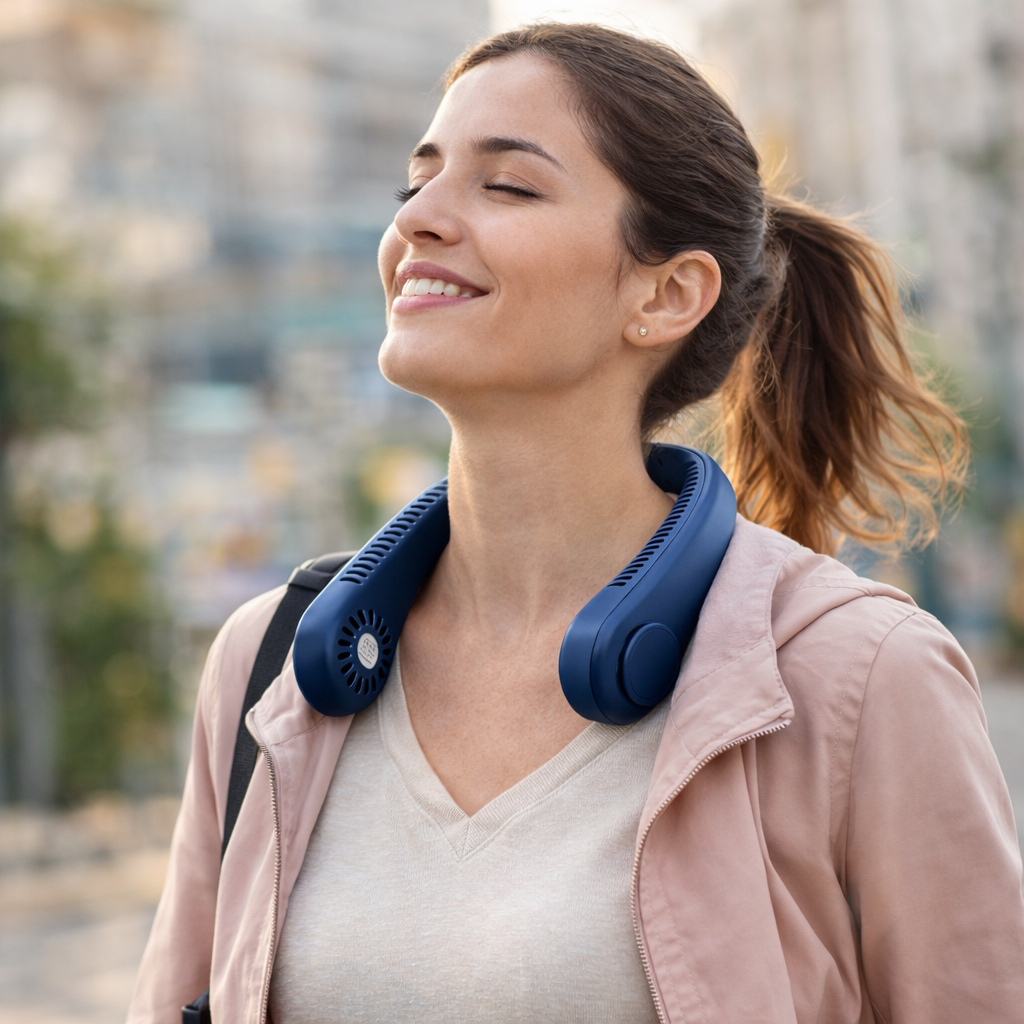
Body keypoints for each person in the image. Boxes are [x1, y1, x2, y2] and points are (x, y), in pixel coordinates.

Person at [127, 22, 1024, 1024]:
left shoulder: (860, 677)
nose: (418, 218)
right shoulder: (270, 665)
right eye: (415, 182)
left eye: (507, 186)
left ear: (667, 294)